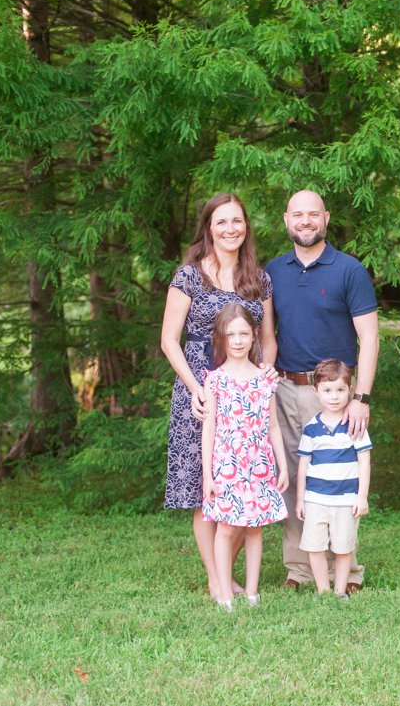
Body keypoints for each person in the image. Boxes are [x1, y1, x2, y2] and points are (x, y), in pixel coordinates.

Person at [161, 193, 276, 601]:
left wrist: (265, 376)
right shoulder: (189, 275)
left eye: (237, 221)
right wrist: (196, 388)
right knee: (205, 489)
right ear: (208, 228)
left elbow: (268, 340)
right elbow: (169, 340)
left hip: (247, 396)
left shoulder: (259, 279)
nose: (230, 229)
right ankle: (216, 580)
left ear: (246, 226)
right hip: (201, 391)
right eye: (221, 222)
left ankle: (225, 570)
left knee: (244, 484)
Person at [266, 190, 379, 593]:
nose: (305, 221)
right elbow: (266, 335)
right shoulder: (273, 271)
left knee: (341, 480)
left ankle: (347, 573)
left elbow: (370, 338)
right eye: (298, 214)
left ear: (326, 218)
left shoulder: (349, 270)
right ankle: (299, 569)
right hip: (285, 388)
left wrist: (361, 398)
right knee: (294, 479)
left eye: (313, 214)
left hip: (335, 395)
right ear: (286, 220)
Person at [201, 303, 289, 610]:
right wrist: (208, 476)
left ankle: (252, 592)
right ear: (221, 338)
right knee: (226, 527)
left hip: (259, 464)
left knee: (254, 528)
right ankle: (225, 593)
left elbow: (273, 425)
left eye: (243, 334)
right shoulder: (215, 380)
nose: (237, 341)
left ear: (254, 335)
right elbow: (209, 429)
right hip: (227, 464)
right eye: (230, 335)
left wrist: (282, 466)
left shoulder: (265, 378)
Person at [295, 359, 371, 598]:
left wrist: (362, 497)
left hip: (345, 500)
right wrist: (300, 500)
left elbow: (364, 461)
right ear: (316, 391)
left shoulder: (354, 426)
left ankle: (340, 591)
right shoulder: (311, 428)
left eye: (340, 390)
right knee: (315, 547)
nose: (334, 396)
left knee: (343, 547)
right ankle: (323, 591)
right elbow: (303, 465)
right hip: (315, 500)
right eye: (327, 390)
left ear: (350, 390)